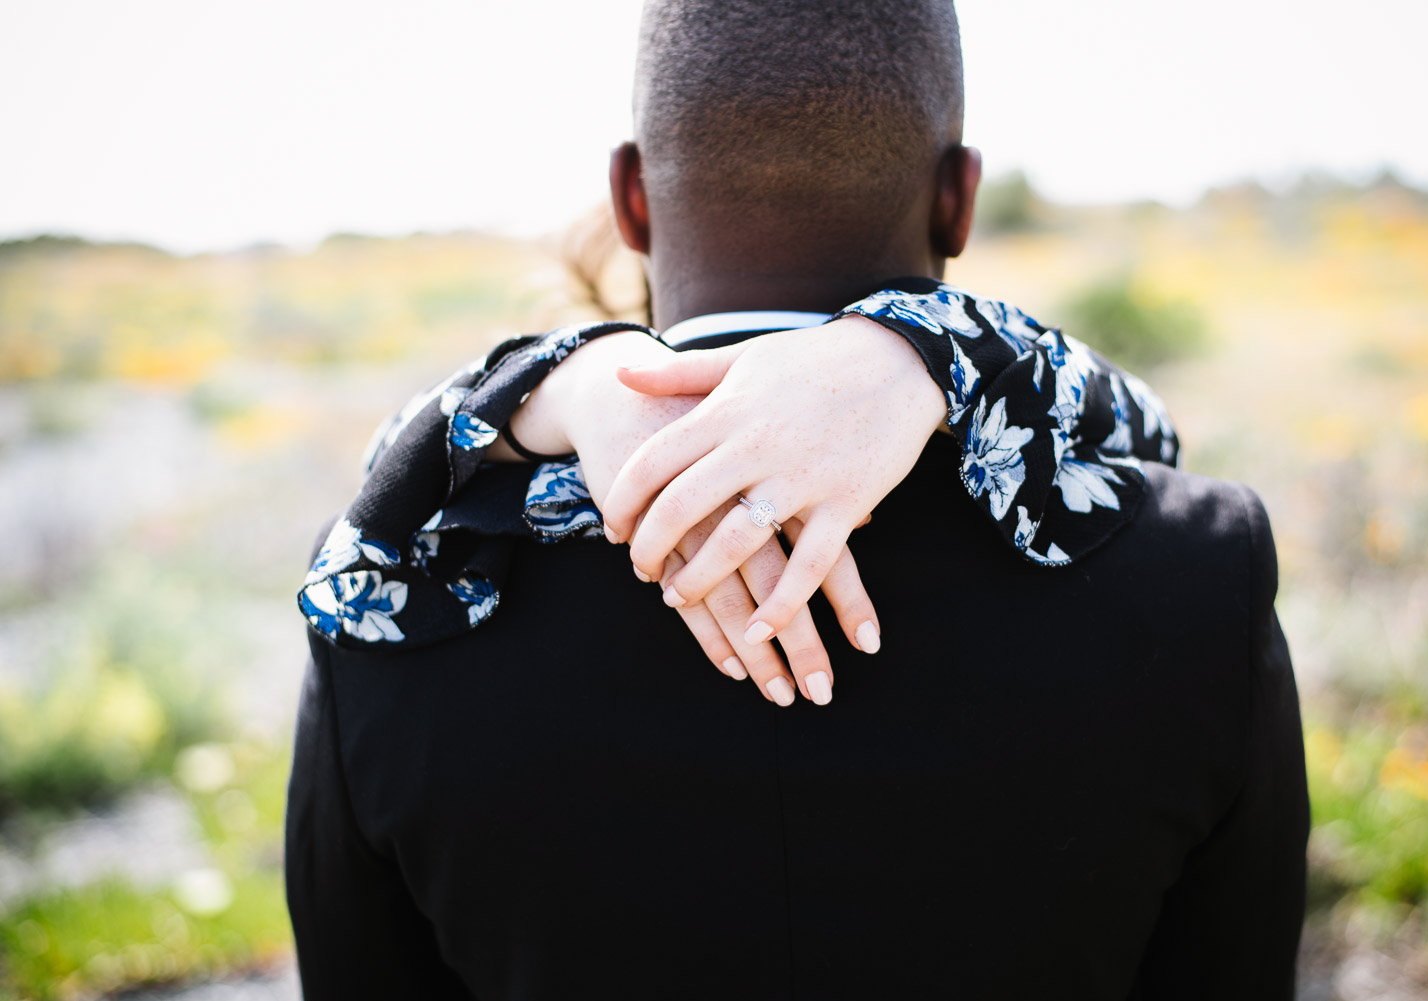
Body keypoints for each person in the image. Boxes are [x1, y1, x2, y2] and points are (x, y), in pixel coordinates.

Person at [285, 1, 1310, 997]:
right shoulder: (1199, 573)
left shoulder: (389, 601)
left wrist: (552, 380)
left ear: (632, 198)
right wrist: (933, 346)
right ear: (958, 197)